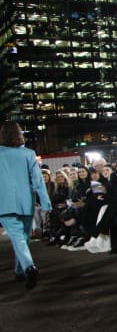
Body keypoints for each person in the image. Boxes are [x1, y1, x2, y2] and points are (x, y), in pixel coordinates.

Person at [0, 122, 51, 288]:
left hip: (4, 202)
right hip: (26, 200)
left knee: (18, 238)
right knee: (23, 238)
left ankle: (28, 267)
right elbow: (38, 181)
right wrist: (46, 202)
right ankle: (20, 271)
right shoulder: (29, 153)